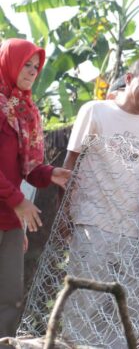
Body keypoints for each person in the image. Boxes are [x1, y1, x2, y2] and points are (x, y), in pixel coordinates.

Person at [61, 58, 139, 347]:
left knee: (125, 310)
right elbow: (69, 166)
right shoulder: (96, 111)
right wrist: (66, 217)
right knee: (84, 304)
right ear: (130, 77)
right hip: (92, 224)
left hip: (135, 233)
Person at [0, 39, 70, 344]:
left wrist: (53, 173)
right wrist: (17, 201)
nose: (32, 71)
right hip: (13, 208)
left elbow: (29, 168)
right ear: (8, 63)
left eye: (35, 66)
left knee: (10, 295)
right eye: (25, 63)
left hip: (12, 219)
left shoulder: (26, 110)